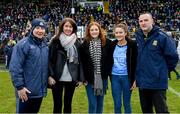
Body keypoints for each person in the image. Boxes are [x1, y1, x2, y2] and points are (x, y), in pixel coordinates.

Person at [135, 12, 179, 113]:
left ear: (152, 21)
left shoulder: (162, 37)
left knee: (161, 111)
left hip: (157, 82)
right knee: (146, 111)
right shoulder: (138, 36)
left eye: (146, 20)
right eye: (141, 21)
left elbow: (173, 56)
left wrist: (161, 70)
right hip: (143, 82)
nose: (143, 23)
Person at [9, 18, 49, 113]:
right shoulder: (22, 44)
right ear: (32, 29)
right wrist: (20, 87)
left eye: (42, 28)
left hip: (38, 92)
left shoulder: (45, 46)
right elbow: (15, 67)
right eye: (37, 28)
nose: (40, 31)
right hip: (25, 92)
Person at [48, 18, 84, 113]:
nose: (68, 28)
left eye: (70, 27)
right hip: (56, 78)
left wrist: (81, 79)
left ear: (74, 28)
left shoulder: (77, 43)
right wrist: (50, 76)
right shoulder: (55, 41)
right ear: (62, 27)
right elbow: (49, 60)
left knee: (68, 104)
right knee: (57, 104)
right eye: (66, 26)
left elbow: (80, 62)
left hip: (71, 77)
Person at [79, 21, 111, 113]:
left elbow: (109, 60)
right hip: (89, 79)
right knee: (92, 103)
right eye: (92, 30)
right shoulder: (84, 45)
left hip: (102, 78)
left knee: (100, 103)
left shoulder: (107, 43)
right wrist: (83, 78)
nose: (94, 31)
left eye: (96, 29)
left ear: (99, 30)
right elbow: (82, 63)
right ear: (88, 31)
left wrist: (106, 71)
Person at [109, 23, 137, 113]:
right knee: (117, 104)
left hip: (127, 78)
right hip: (115, 77)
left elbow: (136, 63)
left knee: (126, 103)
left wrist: (135, 79)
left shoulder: (132, 45)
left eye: (120, 32)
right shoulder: (112, 45)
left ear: (125, 33)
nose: (118, 34)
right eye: (116, 33)